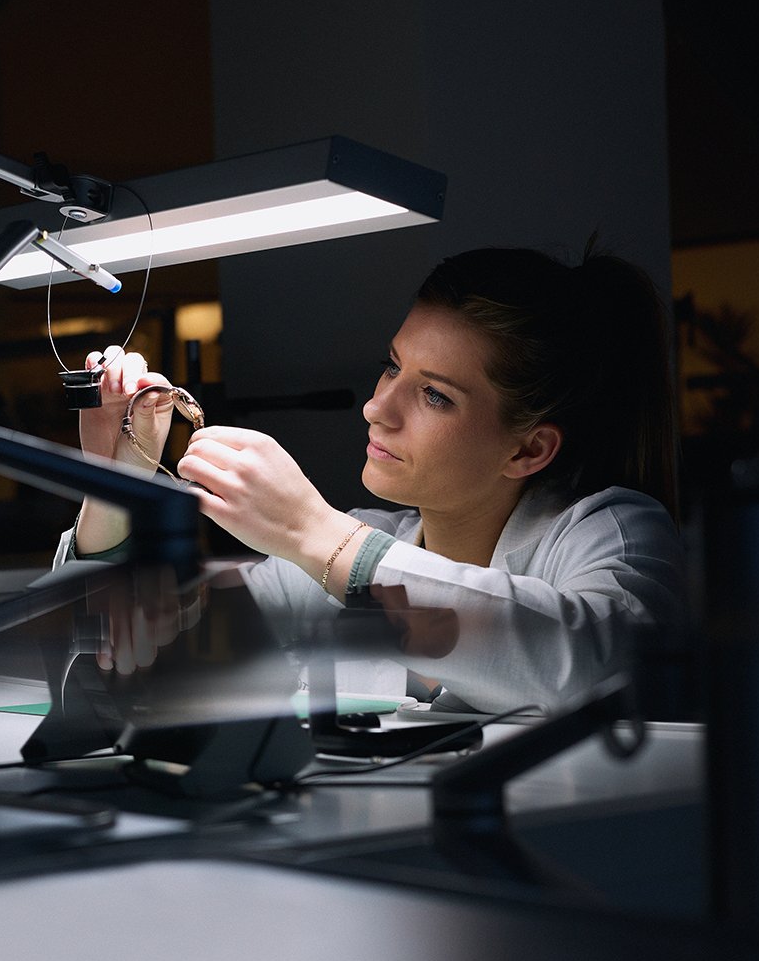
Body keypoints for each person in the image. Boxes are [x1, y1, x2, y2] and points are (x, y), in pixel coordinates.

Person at [54, 244, 689, 714]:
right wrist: (114, 490)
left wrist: (320, 536)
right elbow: (123, 671)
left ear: (528, 449)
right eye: (392, 368)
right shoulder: (351, 546)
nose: (377, 408)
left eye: (435, 396)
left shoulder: (608, 530)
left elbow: (608, 667)